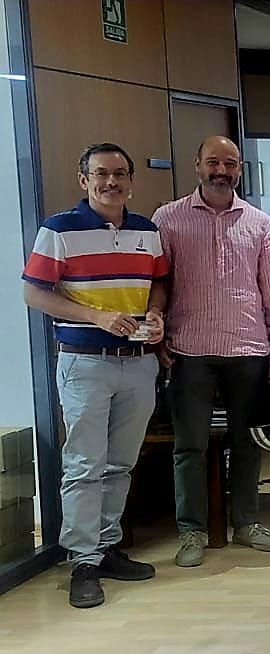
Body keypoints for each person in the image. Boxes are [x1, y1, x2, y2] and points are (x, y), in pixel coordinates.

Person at [23, 143, 166, 608]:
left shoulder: (147, 230)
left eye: (120, 174)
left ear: (131, 181)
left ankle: (106, 548)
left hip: (138, 362)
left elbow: (159, 281)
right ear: (84, 180)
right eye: (101, 174)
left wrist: (157, 312)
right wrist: (95, 316)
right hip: (84, 363)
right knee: (85, 465)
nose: (111, 182)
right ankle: (82, 561)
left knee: (121, 463)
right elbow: (34, 294)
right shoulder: (59, 229)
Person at [154, 136, 270, 566]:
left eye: (230, 163)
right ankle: (192, 532)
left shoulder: (259, 222)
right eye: (213, 162)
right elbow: (158, 283)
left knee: (249, 442)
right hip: (188, 350)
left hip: (249, 348)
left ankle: (246, 523)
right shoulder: (168, 218)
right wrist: (157, 338)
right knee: (189, 447)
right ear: (197, 164)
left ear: (239, 169)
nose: (221, 171)